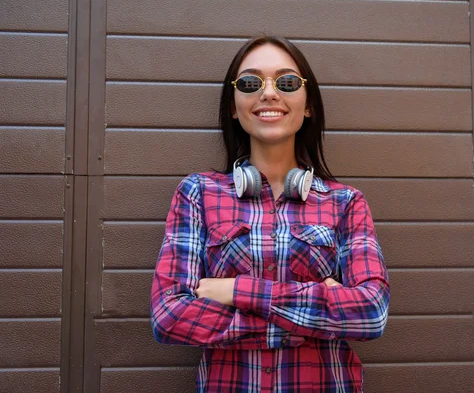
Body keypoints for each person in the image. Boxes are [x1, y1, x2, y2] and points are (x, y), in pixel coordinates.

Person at [150, 36, 390, 392]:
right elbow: (169, 317)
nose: (269, 93)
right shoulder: (198, 193)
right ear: (234, 106)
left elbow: (371, 313)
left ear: (308, 104)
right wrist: (313, 314)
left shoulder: (345, 203)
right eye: (250, 83)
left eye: (286, 82)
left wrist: (237, 291)